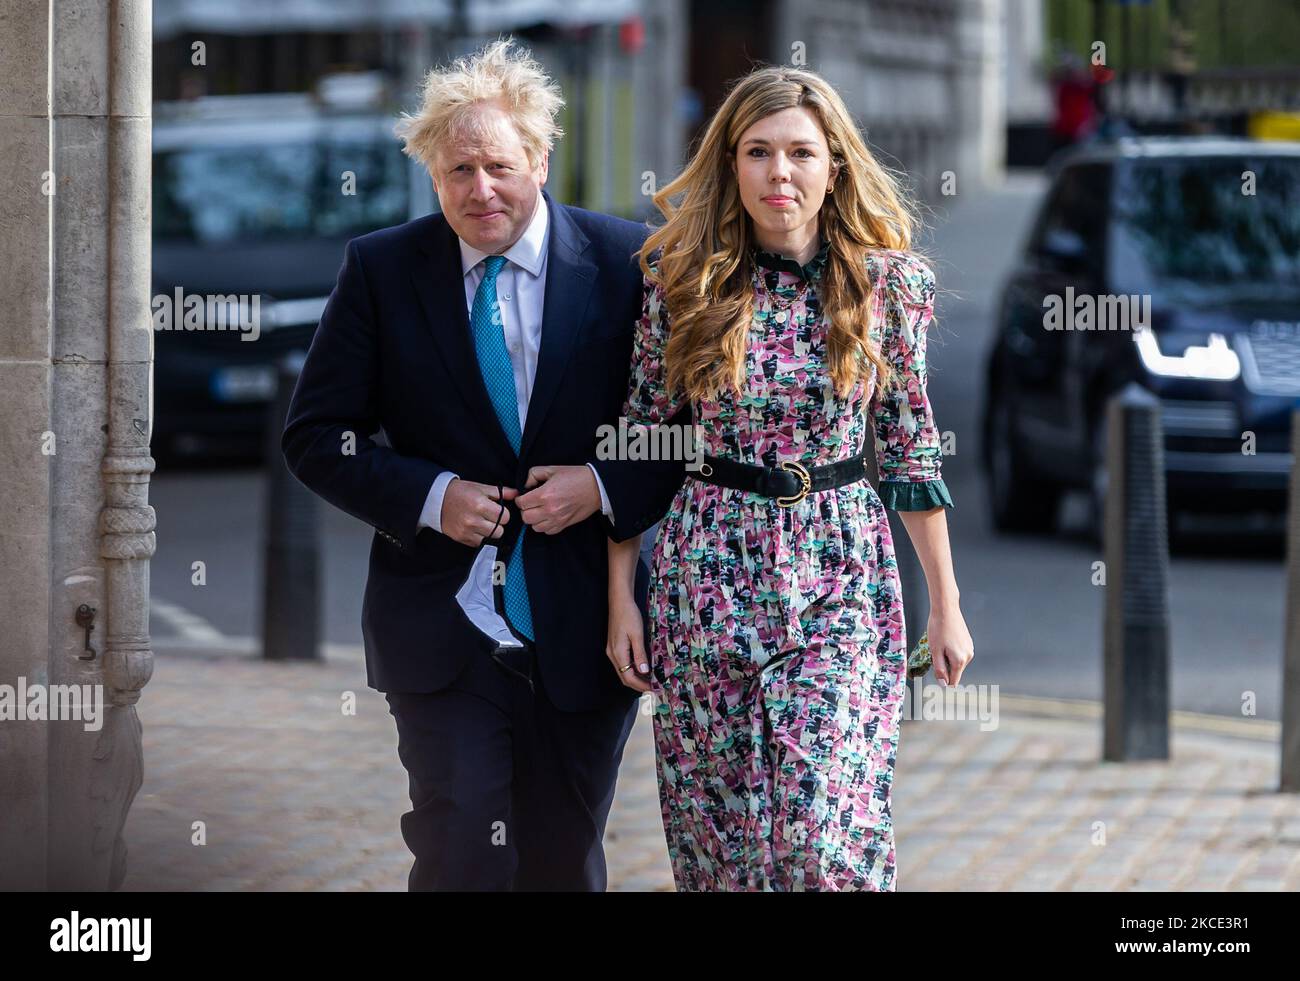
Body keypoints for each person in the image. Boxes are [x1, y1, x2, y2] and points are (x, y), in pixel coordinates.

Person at [282, 39, 680, 891]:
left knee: (562, 862)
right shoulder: (383, 271)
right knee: (462, 845)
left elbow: (682, 435)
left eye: (498, 164)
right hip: (441, 627)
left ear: (541, 158)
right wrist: (430, 495)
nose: (480, 189)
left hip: (583, 631)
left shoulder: (628, 265)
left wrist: (601, 485)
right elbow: (317, 435)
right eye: (457, 169)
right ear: (432, 175)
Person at [604, 65, 975, 891]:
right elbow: (638, 444)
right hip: (707, 566)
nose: (781, 173)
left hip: (841, 565)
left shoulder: (889, 286)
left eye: (802, 153)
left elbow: (913, 449)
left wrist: (946, 604)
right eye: (760, 151)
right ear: (731, 164)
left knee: (821, 835)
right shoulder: (682, 284)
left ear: (834, 165)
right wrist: (619, 596)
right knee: (724, 846)